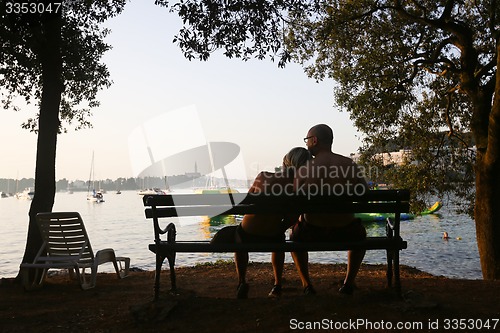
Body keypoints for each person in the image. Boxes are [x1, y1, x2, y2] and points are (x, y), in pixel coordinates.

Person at [211, 147, 311, 299]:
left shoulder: (263, 176)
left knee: (239, 237)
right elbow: (292, 218)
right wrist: (280, 227)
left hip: (247, 232)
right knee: (280, 240)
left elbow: (246, 204)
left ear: (285, 162)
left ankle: (242, 281)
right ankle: (277, 285)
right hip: (273, 236)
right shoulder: (298, 188)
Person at [291, 124, 368, 295]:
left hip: (312, 233)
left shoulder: (304, 170)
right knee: (360, 233)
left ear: (315, 140)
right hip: (347, 231)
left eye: (307, 140)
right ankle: (348, 283)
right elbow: (365, 195)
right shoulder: (349, 165)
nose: (306, 144)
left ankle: (307, 285)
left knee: (294, 234)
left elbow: (295, 203)